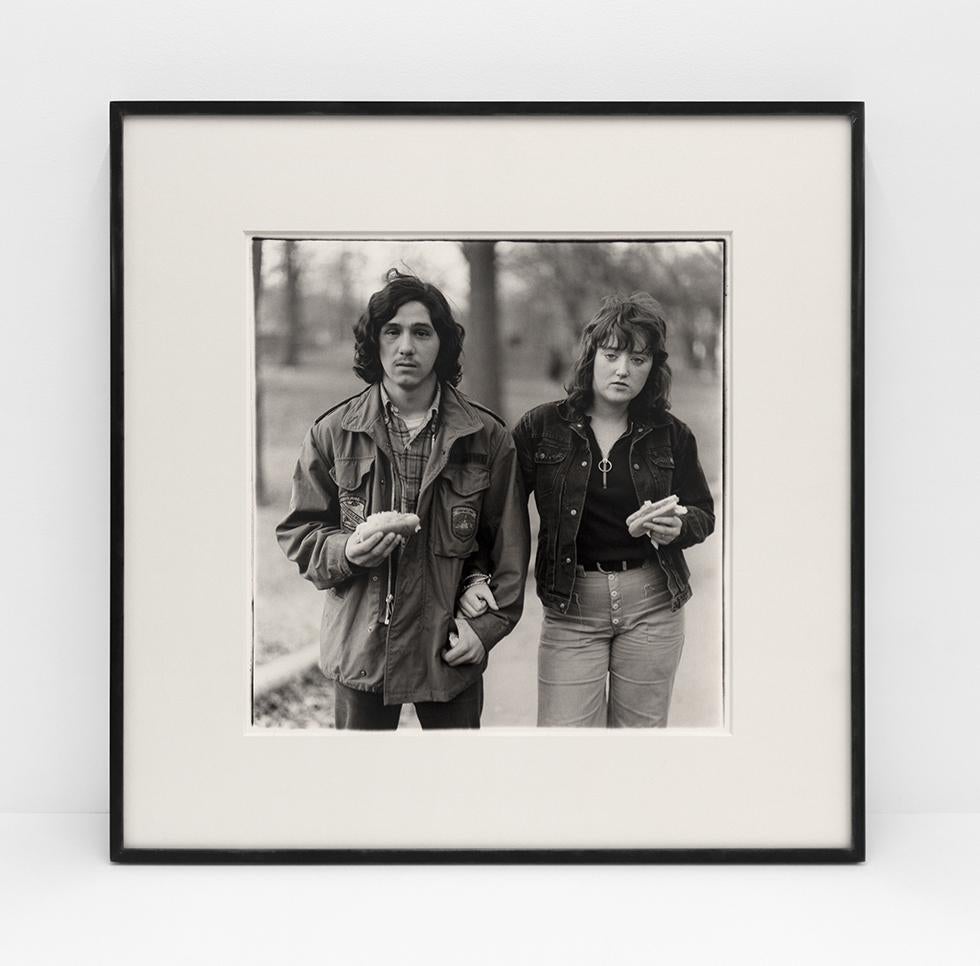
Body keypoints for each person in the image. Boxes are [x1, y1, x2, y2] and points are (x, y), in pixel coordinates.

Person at [277, 269, 528, 730]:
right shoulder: (333, 433)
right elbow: (299, 531)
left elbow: (509, 552)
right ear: (374, 342)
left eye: (421, 332)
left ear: (443, 344)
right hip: (361, 650)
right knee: (361, 790)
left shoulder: (487, 438)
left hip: (450, 650)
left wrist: (484, 630)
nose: (406, 346)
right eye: (391, 331)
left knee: (452, 790)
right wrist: (345, 550)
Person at [459, 293, 714, 727]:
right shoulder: (541, 427)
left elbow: (702, 511)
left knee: (637, 752)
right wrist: (476, 574)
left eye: (638, 359)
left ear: (653, 367)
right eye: (612, 354)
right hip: (571, 607)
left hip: (654, 604)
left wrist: (679, 525)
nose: (623, 370)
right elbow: (497, 514)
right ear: (591, 355)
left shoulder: (671, 435)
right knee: (566, 750)